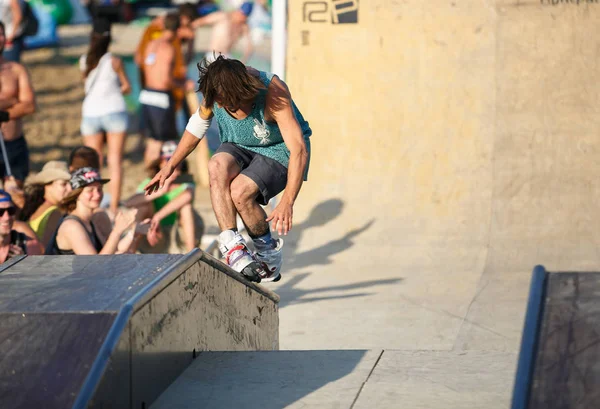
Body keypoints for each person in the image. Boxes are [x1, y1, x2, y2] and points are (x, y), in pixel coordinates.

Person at [145, 56, 312, 283]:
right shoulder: (216, 89)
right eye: (221, 104)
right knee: (216, 165)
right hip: (239, 144)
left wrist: (287, 202)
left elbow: (298, 150)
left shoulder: (273, 92)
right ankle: (232, 245)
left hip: (278, 149)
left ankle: (267, 252)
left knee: (240, 192)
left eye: (232, 105)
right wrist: (170, 166)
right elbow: (198, 125)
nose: (225, 109)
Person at [79, 20, 131, 216]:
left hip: (91, 112)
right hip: (113, 110)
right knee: (115, 161)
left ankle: (93, 205)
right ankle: (114, 207)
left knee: (93, 163)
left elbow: (87, 85)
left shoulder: (84, 60)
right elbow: (126, 87)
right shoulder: (114, 61)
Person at [124, 141, 203, 254]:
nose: (174, 165)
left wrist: (157, 216)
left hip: (177, 233)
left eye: (178, 160)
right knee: (144, 206)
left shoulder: (186, 182)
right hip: (155, 233)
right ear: (161, 162)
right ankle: (130, 251)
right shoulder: (149, 182)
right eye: (169, 160)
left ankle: (191, 253)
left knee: (186, 208)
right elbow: (129, 203)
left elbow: (187, 197)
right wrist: (160, 191)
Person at [46, 167, 147, 255]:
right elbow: (96, 265)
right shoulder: (72, 226)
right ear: (77, 194)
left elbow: (112, 250)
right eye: (90, 191)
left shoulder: (91, 220)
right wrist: (117, 231)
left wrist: (134, 233)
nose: (97, 195)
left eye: (99, 189)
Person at [138, 13, 185, 167]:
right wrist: (181, 85)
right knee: (161, 143)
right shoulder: (169, 48)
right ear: (178, 30)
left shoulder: (151, 44)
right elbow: (165, 79)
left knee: (152, 141)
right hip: (160, 97)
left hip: (146, 95)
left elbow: (141, 62)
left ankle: (149, 176)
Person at [0, 21, 36, 188]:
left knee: (16, 194)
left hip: (13, 142)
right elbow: (20, 102)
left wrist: (6, 114)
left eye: (1, 34)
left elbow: (29, 105)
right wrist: (11, 100)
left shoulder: (16, 70)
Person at [18, 160, 71, 247]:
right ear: (47, 185)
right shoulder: (55, 213)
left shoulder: (34, 207)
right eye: (63, 184)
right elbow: (45, 248)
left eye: (70, 184)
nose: (70, 189)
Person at [0, 189, 43, 263]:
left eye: (11, 211)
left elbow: (41, 273)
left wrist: (24, 264)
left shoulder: (30, 245)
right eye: (0, 212)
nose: (6, 217)